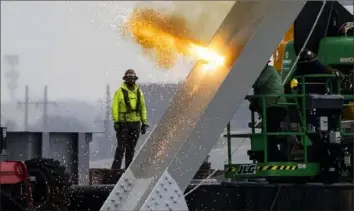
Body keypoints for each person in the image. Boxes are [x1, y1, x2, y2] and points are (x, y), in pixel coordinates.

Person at [111, 69, 149, 170]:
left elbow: (142, 108)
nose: (131, 80)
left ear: (135, 79)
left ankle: (128, 169)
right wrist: (117, 121)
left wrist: (145, 123)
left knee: (131, 149)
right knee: (121, 148)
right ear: (125, 79)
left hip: (136, 124)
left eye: (132, 78)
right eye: (129, 78)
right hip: (124, 124)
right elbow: (115, 107)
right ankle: (115, 170)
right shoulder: (119, 92)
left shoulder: (139, 92)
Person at [249, 62, 287, 161]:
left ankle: (273, 157)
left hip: (276, 106)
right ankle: (268, 156)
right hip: (270, 107)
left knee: (269, 134)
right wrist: (254, 103)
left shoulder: (268, 70)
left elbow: (259, 82)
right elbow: (257, 90)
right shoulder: (261, 74)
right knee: (267, 134)